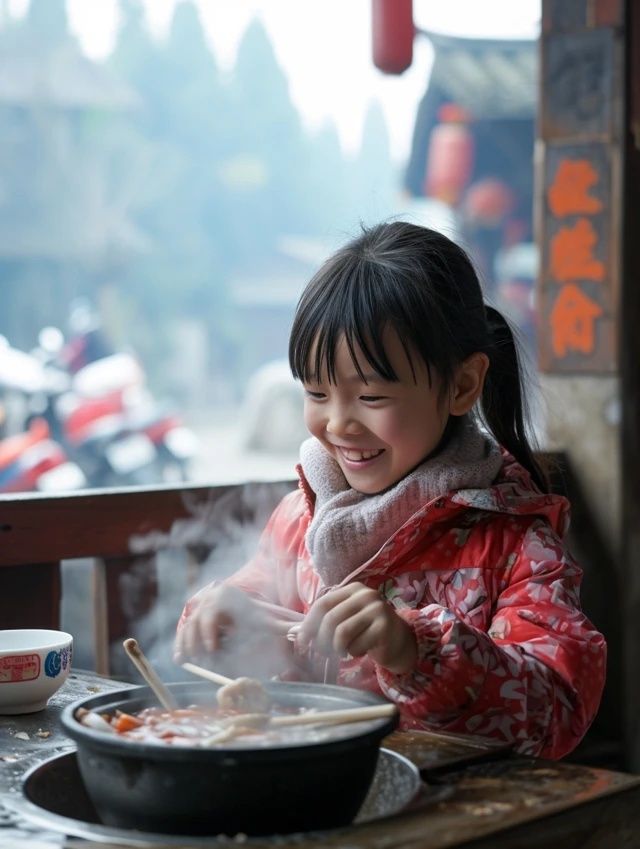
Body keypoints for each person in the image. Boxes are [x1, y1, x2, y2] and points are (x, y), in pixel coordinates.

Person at [174, 221, 606, 759]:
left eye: (371, 396)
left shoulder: (516, 543)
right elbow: (254, 602)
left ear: (463, 385)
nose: (338, 424)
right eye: (316, 392)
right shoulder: (300, 518)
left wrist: (414, 650)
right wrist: (222, 615)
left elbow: (557, 709)